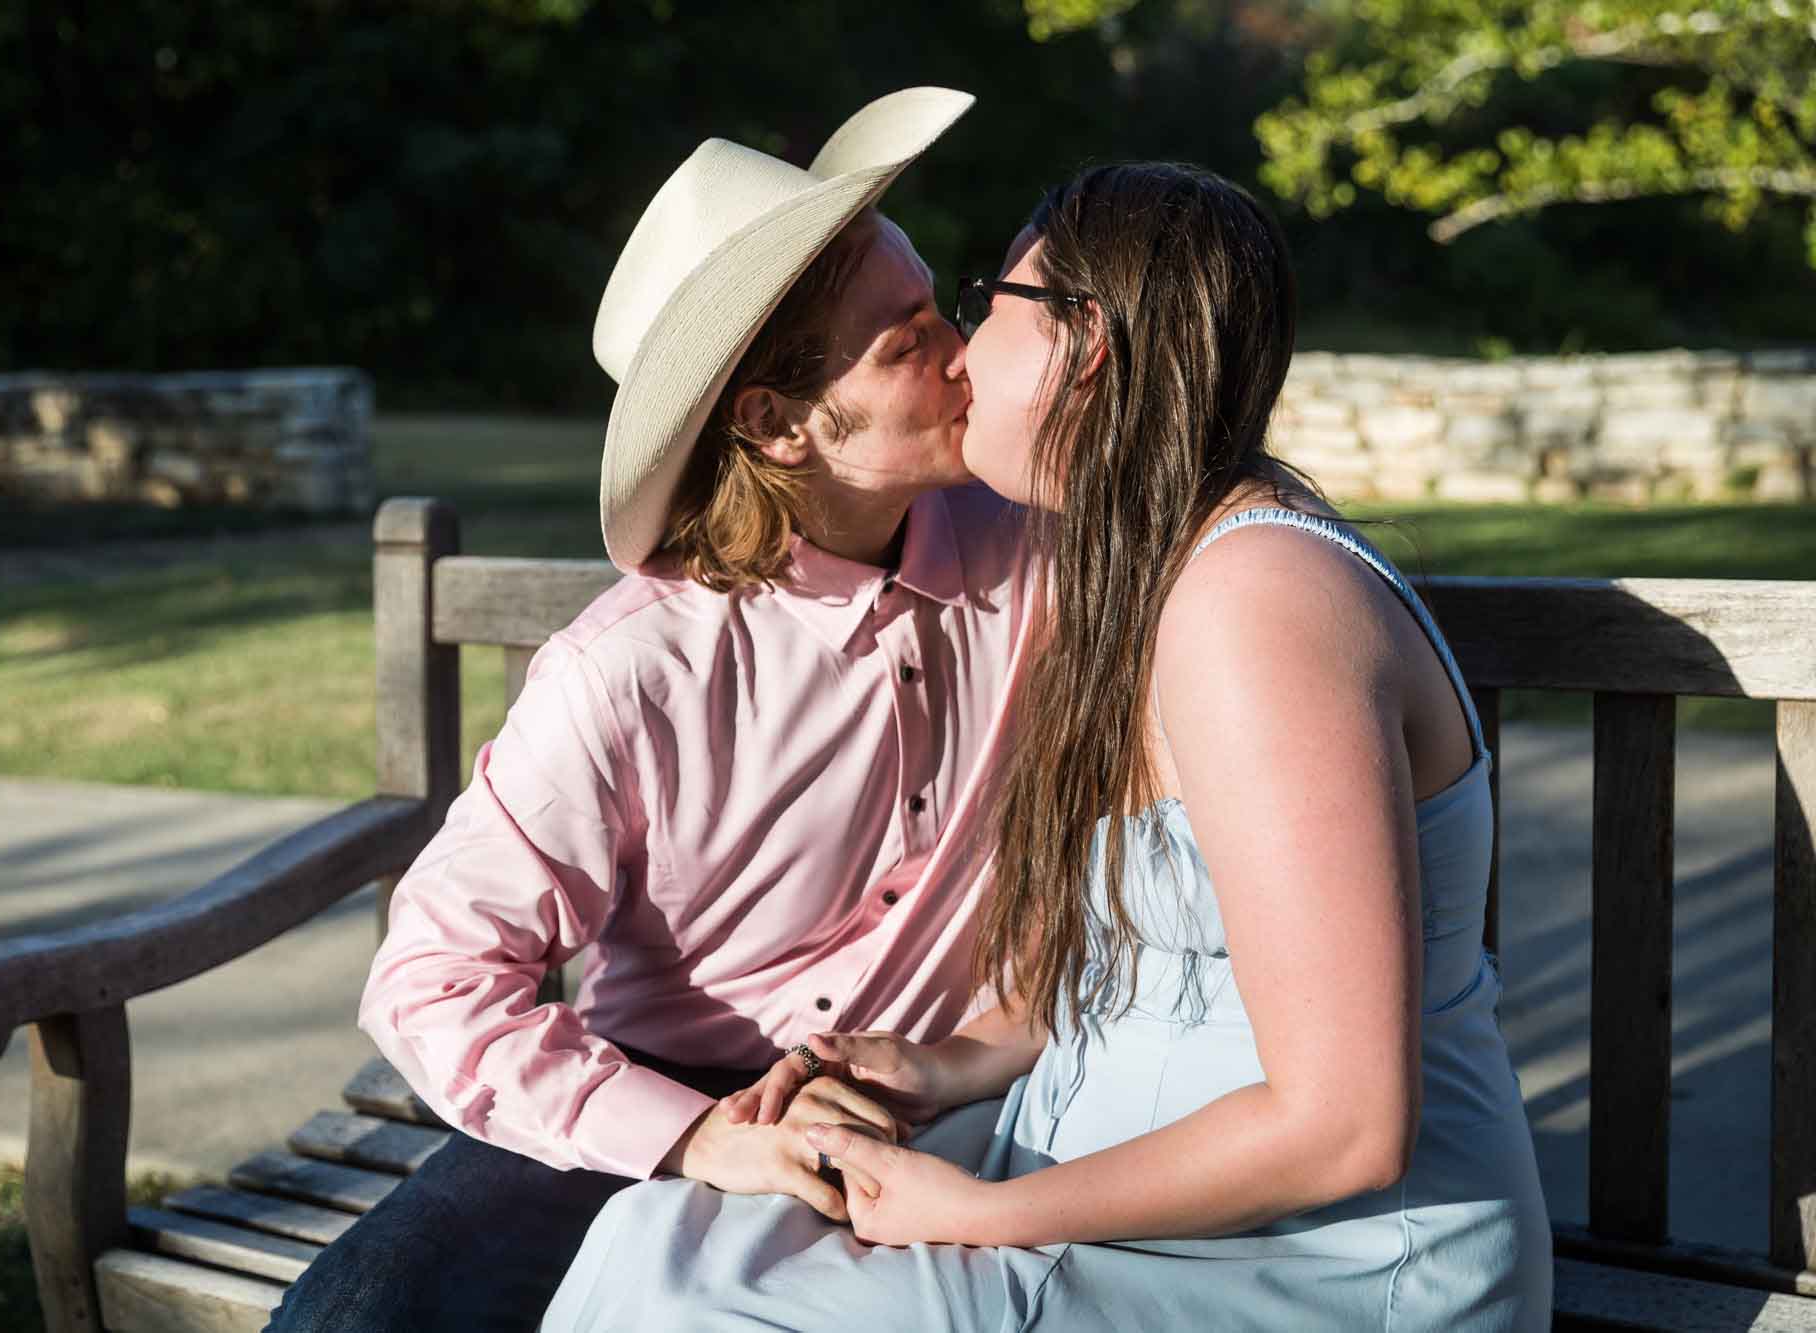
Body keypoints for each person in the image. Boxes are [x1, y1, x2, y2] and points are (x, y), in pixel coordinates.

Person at [543, 162, 1553, 1331]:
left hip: (1308, 1268)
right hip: (1104, 1185)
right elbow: (1149, 964)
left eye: (983, 304)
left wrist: (963, 1213)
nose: (960, 353)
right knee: (663, 1239)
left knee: (693, 1309)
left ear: (1089, 345)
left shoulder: (1256, 609)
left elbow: (1345, 1126)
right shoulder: (1129, 570)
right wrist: (950, 1063)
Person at [262, 86, 1040, 1333]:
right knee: (357, 1318)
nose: (962, 351)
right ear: (778, 425)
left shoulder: (1046, 558)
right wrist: (697, 1139)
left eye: (937, 305)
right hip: (667, 1091)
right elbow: (429, 979)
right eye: (903, 342)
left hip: (968, 1085)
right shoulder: (627, 669)